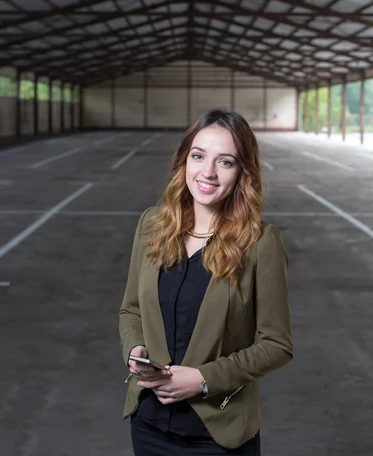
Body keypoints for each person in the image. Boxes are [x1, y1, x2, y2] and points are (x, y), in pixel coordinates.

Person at [119, 109, 293, 455]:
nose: (208, 172)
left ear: (243, 172)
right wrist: (136, 352)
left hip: (218, 437)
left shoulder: (260, 242)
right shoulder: (152, 225)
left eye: (225, 161)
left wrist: (202, 380)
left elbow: (277, 344)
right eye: (199, 156)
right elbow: (132, 311)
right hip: (149, 426)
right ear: (185, 159)